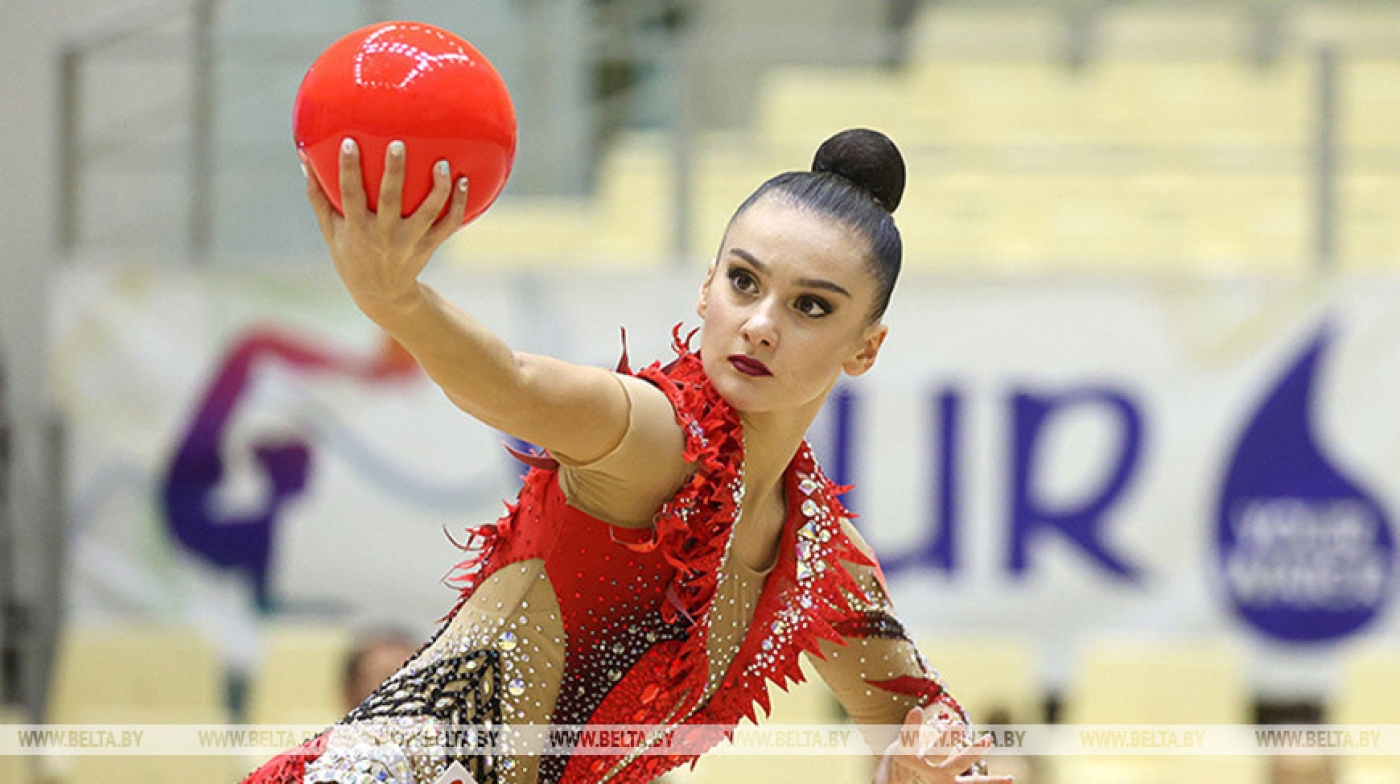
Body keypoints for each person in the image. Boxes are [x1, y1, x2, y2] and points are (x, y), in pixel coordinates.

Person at [243, 128, 1010, 784]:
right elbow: (512, 383)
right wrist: (397, 302)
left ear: (866, 348)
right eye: (743, 283)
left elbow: (922, 728)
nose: (761, 325)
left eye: (812, 306)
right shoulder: (657, 436)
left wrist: (921, 766)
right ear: (707, 286)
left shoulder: (822, 561)